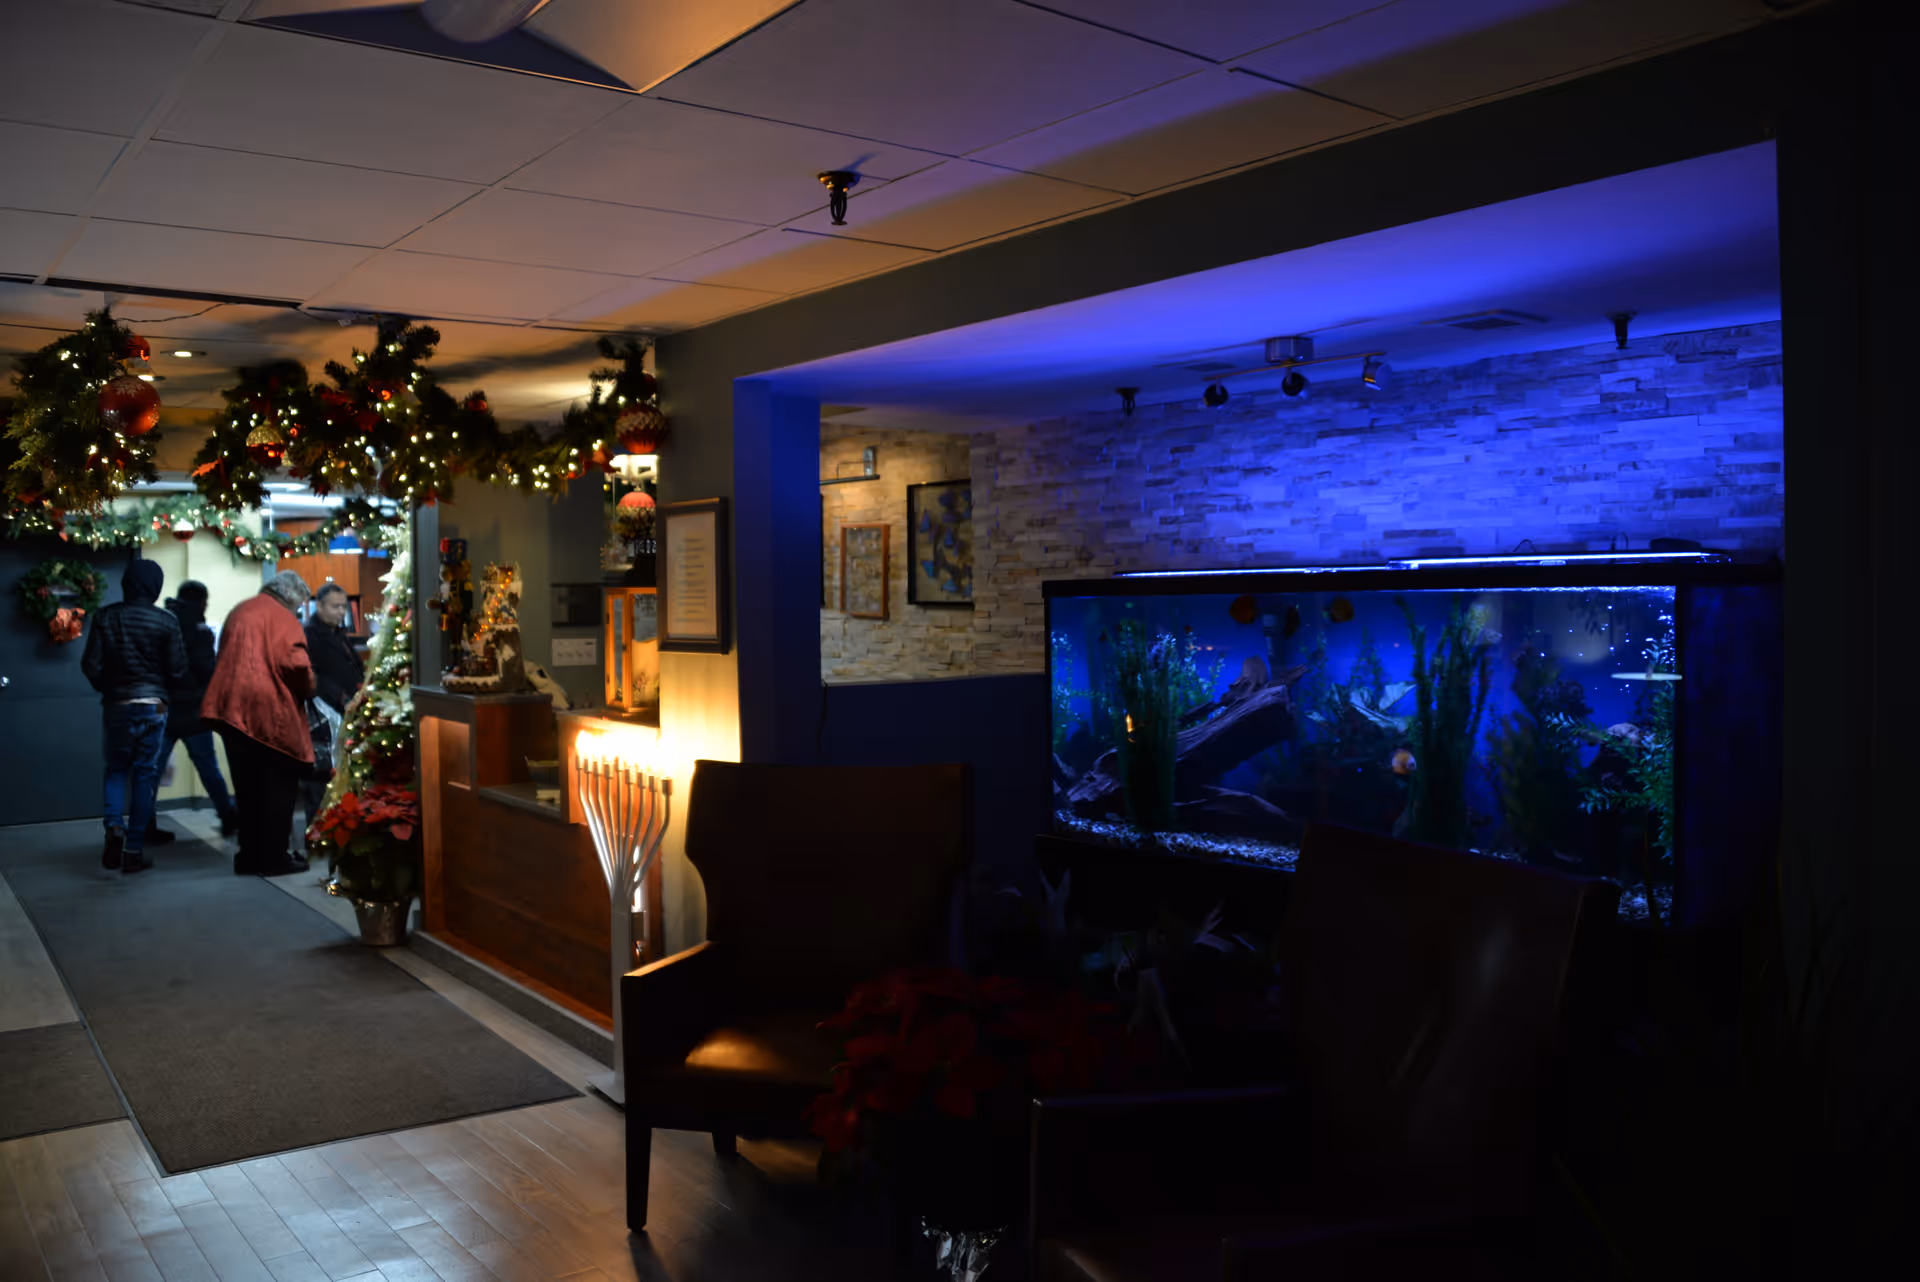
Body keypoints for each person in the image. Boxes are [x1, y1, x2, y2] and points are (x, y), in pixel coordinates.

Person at [201, 570, 315, 877]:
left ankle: (249, 856)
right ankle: (274, 858)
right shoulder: (282, 617)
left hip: (231, 711)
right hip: (268, 712)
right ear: (291, 596)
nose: (298, 610)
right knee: (277, 790)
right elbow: (296, 664)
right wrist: (310, 687)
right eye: (299, 604)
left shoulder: (241, 610)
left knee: (248, 790)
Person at [80, 556, 188, 875]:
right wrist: (163, 692)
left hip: (117, 704)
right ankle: (134, 850)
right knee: (144, 774)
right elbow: (178, 670)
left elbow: (90, 665)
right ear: (155, 587)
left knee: (116, 769)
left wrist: (110, 689)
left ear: (127, 583)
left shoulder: (105, 616)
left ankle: (114, 825)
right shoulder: (167, 620)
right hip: (155, 704)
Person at [141, 580, 239, 846]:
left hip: (162, 708)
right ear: (201, 602)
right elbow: (206, 670)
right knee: (208, 767)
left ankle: (145, 824)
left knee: (152, 769)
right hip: (193, 710)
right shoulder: (199, 630)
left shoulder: (161, 623)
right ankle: (227, 816)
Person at [301, 582, 364, 828]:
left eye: (343, 607)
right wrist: (343, 697)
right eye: (335, 606)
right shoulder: (310, 635)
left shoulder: (338, 633)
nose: (340, 612)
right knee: (321, 775)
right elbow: (315, 675)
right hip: (323, 715)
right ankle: (317, 831)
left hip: (344, 712)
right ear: (319, 606)